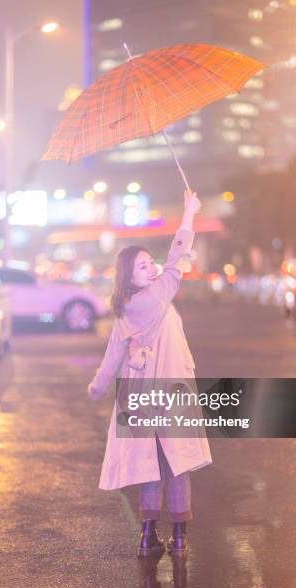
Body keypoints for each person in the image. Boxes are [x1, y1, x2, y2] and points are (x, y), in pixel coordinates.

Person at [87, 189, 212, 558]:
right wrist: (188, 212)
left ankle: (146, 536)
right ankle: (177, 537)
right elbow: (177, 260)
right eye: (143, 267)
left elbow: (112, 355)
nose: (152, 268)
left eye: (149, 262)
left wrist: (98, 386)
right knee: (177, 462)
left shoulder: (125, 308)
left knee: (149, 465)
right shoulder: (155, 298)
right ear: (129, 276)